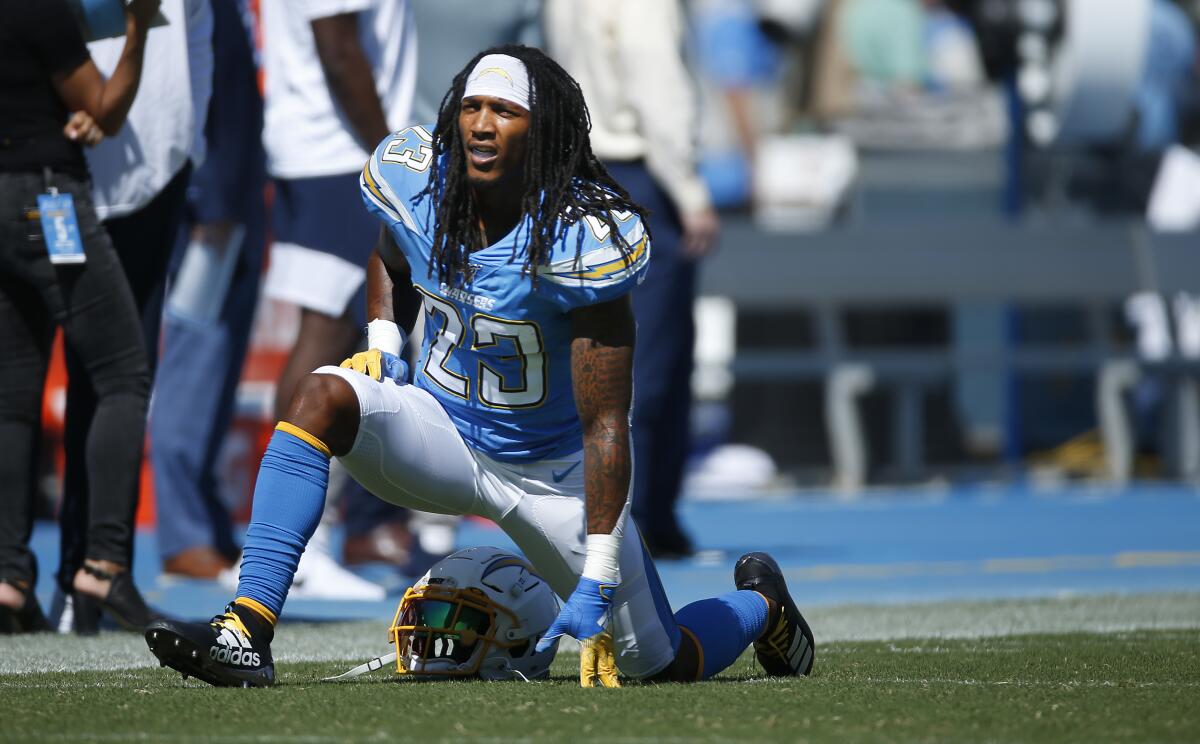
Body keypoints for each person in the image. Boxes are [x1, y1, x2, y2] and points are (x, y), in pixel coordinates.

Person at [144, 46, 814, 687]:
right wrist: (383, 337)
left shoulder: (577, 238)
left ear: (541, 129)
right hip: (441, 431)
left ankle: (763, 607)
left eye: (504, 110)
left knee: (659, 664)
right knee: (324, 394)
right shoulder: (423, 182)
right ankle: (246, 632)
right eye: (472, 107)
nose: (482, 124)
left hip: (550, 477)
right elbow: (391, 249)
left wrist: (600, 567)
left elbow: (607, 422)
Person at [0, 0, 161, 633]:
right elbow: (105, 109)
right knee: (124, 375)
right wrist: (138, 29)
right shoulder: (38, 9)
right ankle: (104, 562)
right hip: (46, 198)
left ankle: (9, 576)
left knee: (10, 399)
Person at [56, 0, 213, 628]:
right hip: (59, 165)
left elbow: (198, 34)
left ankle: (94, 573)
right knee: (46, 375)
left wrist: (189, 144)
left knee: (123, 376)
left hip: (154, 171)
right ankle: (46, 571)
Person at [546, 0, 721, 558]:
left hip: (587, 170)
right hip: (641, 175)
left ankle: (621, 514)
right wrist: (689, 188)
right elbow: (658, 91)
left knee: (605, 352)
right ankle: (643, 516)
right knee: (652, 361)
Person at [256, 0, 416, 592]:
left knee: (344, 334)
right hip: (337, 156)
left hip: (324, 151)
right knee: (326, 335)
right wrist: (393, 161)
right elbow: (338, 46)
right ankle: (299, 541)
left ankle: (321, 532)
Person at [149, 0, 267, 580]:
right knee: (195, 365)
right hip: (211, 204)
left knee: (217, 372)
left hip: (237, 197)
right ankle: (182, 534)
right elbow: (193, 87)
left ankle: (208, 525)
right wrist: (212, 199)